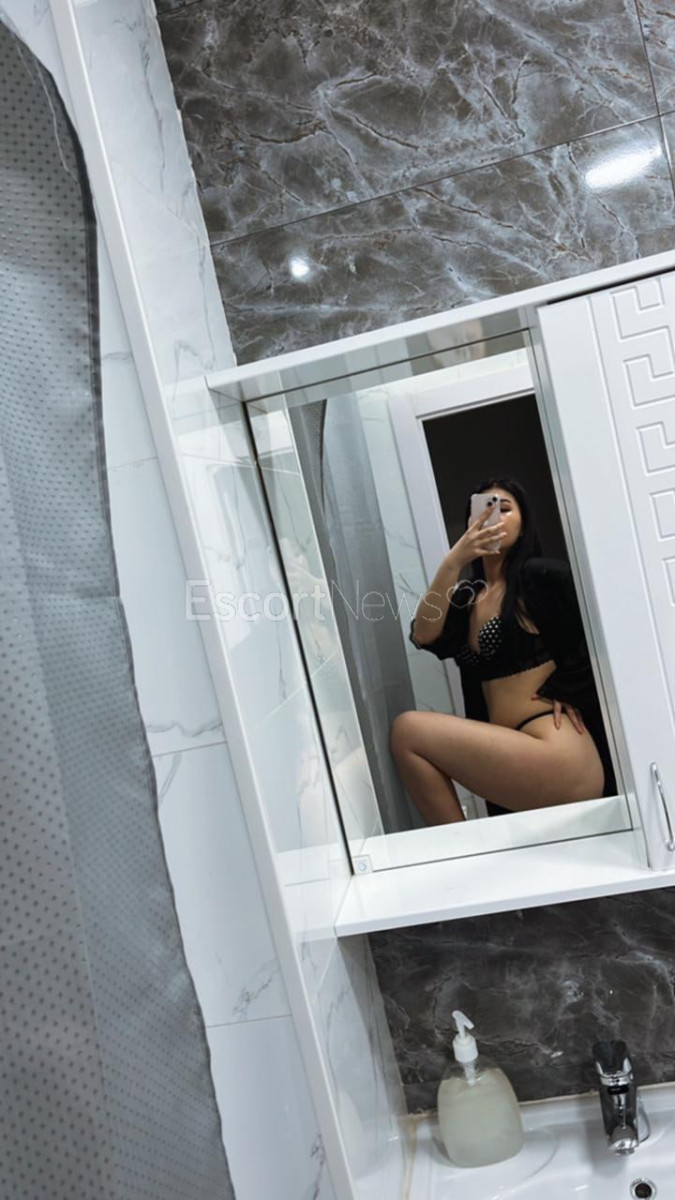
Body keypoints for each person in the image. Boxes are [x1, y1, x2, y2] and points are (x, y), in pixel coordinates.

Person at [392, 476, 616, 825]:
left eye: (505, 508)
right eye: (482, 509)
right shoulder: (467, 597)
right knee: (408, 737)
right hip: (514, 751)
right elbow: (423, 634)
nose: (492, 515)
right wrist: (453, 562)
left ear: (524, 524)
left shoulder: (539, 577)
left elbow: (605, 631)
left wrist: (569, 688)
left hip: (557, 749)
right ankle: (466, 850)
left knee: (408, 731)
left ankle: (463, 852)